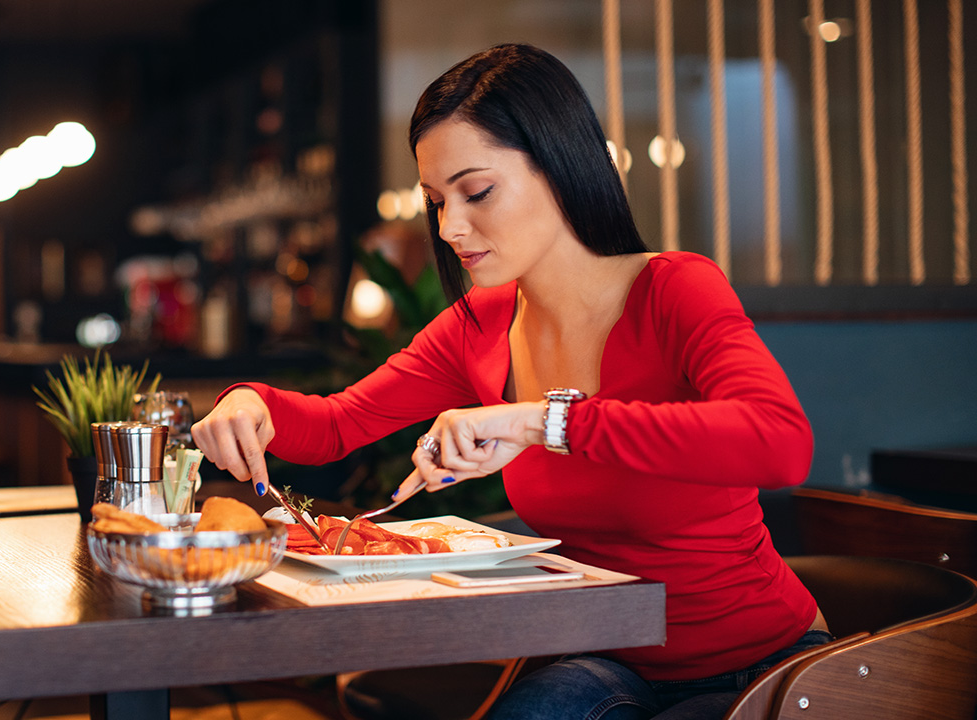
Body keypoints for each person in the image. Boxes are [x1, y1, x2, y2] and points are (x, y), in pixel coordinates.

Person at [192, 43, 827, 719]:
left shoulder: (674, 289)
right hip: (605, 656)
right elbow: (336, 425)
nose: (450, 227)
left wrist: (539, 421)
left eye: (478, 191)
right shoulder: (480, 325)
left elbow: (780, 442)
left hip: (761, 668)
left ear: (559, 164)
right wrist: (249, 402)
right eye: (435, 201)